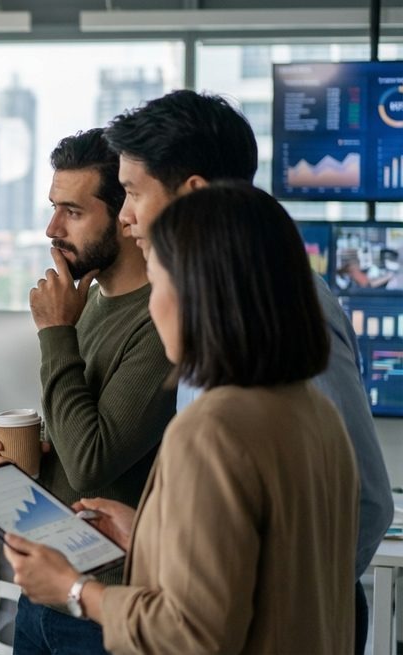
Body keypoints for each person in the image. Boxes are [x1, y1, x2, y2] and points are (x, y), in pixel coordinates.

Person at [3, 182, 359, 654]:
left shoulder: (212, 429)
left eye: (159, 279)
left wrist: (75, 590)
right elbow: (267, 567)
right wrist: (150, 538)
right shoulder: (313, 410)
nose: (152, 303)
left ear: (201, 293)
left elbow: (192, 632)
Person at [105, 89, 392, 654]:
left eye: (135, 193)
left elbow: (366, 500)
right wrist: (151, 532)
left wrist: (290, 607)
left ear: (192, 196)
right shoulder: (217, 319)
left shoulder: (283, 306)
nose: (124, 216)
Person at [0, 128, 174, 654]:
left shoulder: (162, 321)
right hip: (44, 591)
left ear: (124, 213)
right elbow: (74, 442)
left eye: (72, 211)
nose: (51, 228)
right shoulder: (85, 304)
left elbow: (92, 462)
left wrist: (54, 335)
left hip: (106, 605)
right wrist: (34, 461)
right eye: (53, 208)